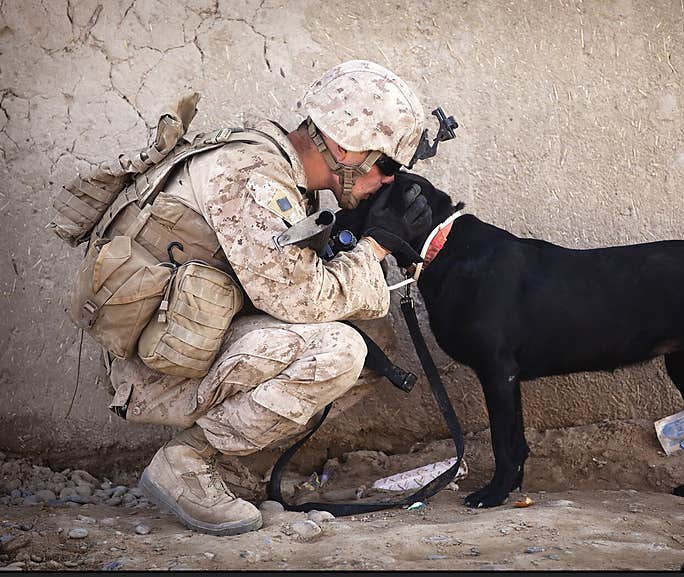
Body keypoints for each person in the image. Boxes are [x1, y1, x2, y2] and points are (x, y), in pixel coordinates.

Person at [109, 60, 442, 536]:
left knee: (375, 349)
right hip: (154, 370)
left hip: (187, 341)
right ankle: (187, 462)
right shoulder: (252, 179)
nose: (388, 180)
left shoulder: (275, 168)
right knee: (343, 351)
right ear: (346, 148)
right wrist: (373, 248)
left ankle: (218, 456)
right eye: (386, 165)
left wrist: (351, 241)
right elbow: (300, 298)